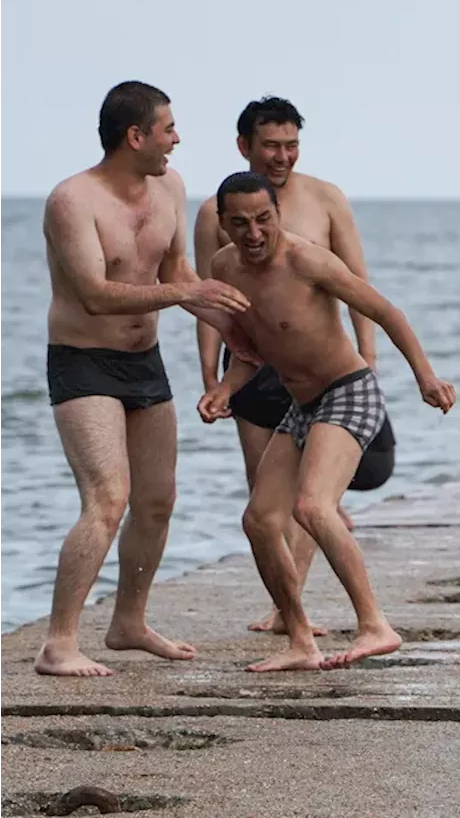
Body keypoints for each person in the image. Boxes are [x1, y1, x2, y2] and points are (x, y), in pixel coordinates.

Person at [36, 81, 253, 677]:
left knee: (157, 501)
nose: (177, 139)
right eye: (168, 128)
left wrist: (239, 338)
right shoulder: (71, 201)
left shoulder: (171, 188)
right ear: (135, 136)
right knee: (108, 499)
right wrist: (187, 290)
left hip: (145, 361)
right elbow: (95, 294)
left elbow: (179, 270)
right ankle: (59, 642)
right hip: (84, 360)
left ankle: (128, 622)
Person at [198, 171, 456, 672]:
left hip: (349, 390)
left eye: (263, 220)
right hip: (302, 405)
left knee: (314, 507)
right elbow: (251, 351)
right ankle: (299, 640)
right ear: (222, 223)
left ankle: (376, 625)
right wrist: (223, 390)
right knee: (258, 520)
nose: (253, 234)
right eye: (240, 223)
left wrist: (425, 377)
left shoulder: (307, 259)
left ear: (278, 214)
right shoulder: (223, 267)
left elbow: (387, 311)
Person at [193, 95, 384, 637]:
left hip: (323, 366)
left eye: (291, 145)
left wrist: (368, 355)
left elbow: (359, 285)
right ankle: (291, 607)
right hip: (253, 360)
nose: (281, 156)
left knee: (312, 497)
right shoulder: (216, 212)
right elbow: (213, 302)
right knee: (265, 497)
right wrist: (211, 375)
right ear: (245, 146)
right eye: (271, 145)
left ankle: (290, 608)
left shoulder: (325, 200)